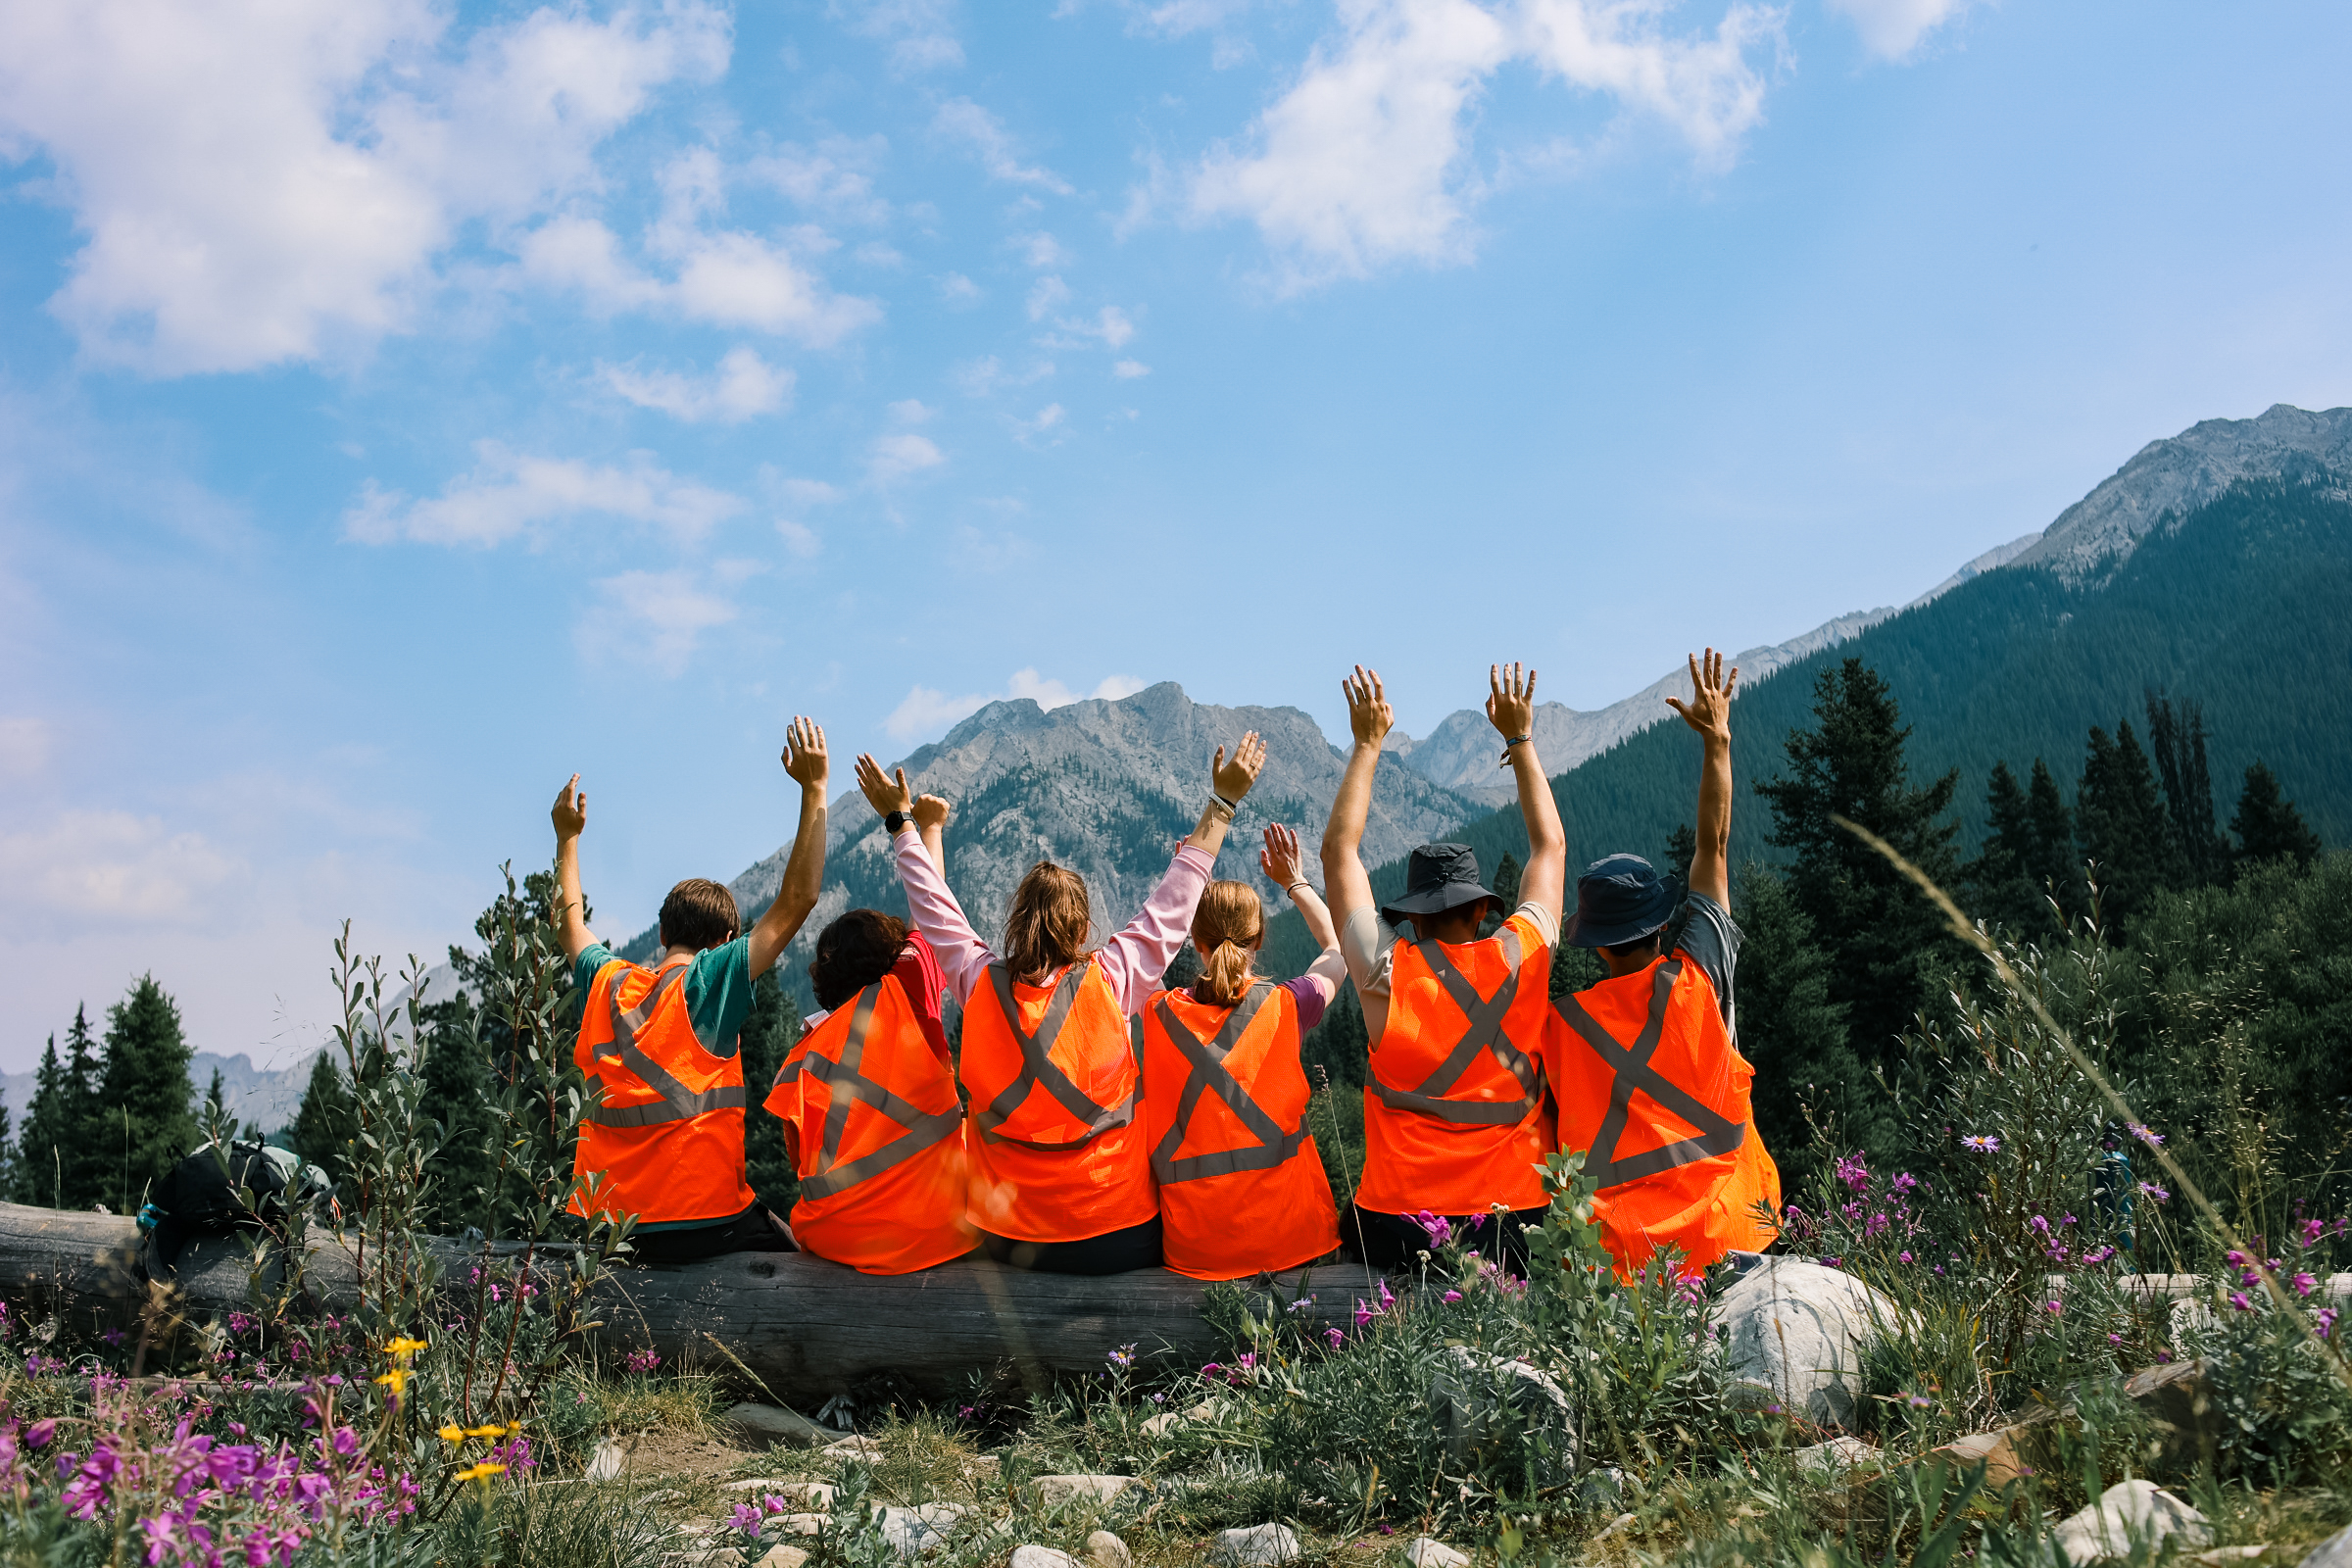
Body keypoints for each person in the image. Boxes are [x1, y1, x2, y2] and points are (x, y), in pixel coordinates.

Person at [854, 732, 1267, 1274]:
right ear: (1082, 928)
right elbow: (1175, 901)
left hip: (1010, 1238)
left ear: (1016, 920)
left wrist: (901, 823)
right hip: (1116, 1229)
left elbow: (933, 909)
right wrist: (1222, 803)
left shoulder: (979, 982)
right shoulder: (1111, 979)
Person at [553, 716, 831, 1264]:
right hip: (701, 1223)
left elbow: (570, 929)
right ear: (726, 941)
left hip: (602, 1229)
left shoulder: (608, 983)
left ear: (660, 934)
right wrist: (815, 788)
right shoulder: (710, 980)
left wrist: (566, 839)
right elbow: (798, 900)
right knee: (798, 1254)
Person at [1321, 663, 1567, 1272]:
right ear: (1484, 908)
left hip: (1401, 1225)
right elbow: (1550, 849)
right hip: (1517, 1220)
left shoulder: (1386, 974)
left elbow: (1337, 853)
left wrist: (1367, 744)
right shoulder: (1526, 951)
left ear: (1410, 917)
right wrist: (1520, 739)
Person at [1547, 650, 1781, 1278]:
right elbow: (1716, 844)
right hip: (1733, 1226)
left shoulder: (1560, 1025)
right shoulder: (1700, 971)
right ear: (1660, 923)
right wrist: (1717, 743)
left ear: (1593, 943)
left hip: (1623, 1258)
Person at [764, 793, 977, 1275]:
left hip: (832, 1240)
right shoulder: (906, 994)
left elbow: (799, 1157)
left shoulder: (804, 1050)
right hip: (931, 1232)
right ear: (892, 957)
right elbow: (932, 911)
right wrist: (931, 827)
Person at [1142, 824, 1348, 1281]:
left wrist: (1182, 889)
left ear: (1195, 942)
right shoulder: (1288, 1005)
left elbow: (1145, 964)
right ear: (1257, 942)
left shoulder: (1155, 1014)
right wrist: (1294, 882)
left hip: (1197, 1255)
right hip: (1294, 1243)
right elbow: (1338, 950)